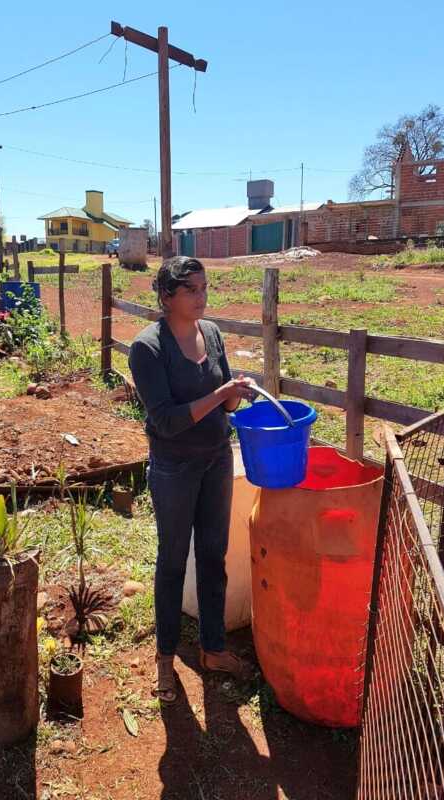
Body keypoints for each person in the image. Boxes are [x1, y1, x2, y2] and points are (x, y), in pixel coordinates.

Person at [128, 256, 256, 704]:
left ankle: (213, 648)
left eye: (205, 287)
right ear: (167, 298)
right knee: (172, 562)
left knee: (213, 555)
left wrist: (232, 397)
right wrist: (217, 395)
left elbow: (226, 410)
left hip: (216, 459)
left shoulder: (213, 334)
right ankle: (165, 658)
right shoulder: (148, 348)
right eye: (193, 290)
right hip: (174, 466)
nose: (203, 297)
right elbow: (164, 421)